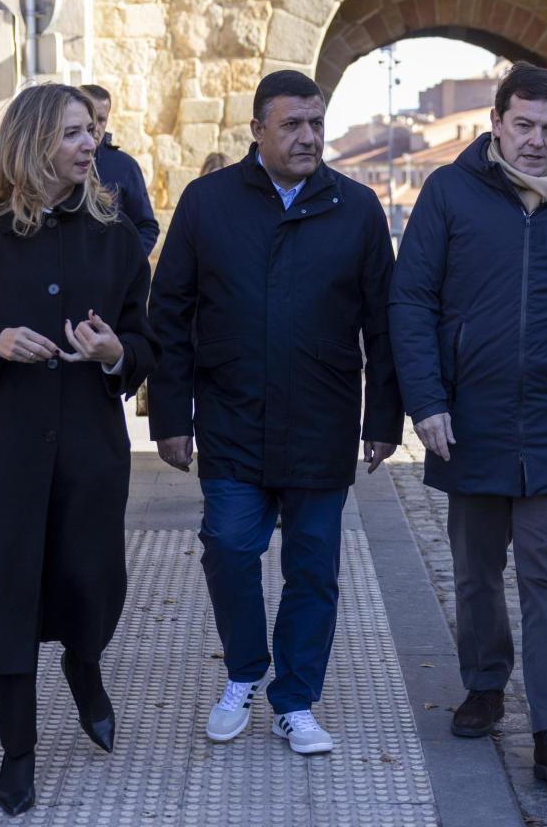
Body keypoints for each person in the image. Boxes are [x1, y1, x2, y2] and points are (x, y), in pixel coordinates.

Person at [0, 84, 157, 816]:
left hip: (87, 450)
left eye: (92, 134)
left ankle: (86, 669)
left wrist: (116, 352)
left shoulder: (113, 233)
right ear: (34, 140)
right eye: (75, 134)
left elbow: (149, 344)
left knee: (86, 582)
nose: (91, 146)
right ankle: (19, 753)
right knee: (4, 596)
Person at [389, 62, 547, 785]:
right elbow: (412, 303)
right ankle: (486, 683)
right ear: (494, 123)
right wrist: (427, 401)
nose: (534, 141)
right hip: (469, 418)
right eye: (522, 125)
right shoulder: (449, 193)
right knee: (475, 572)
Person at [148, 70, 401, 756]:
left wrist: (384, 420)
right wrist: (171, 415)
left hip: (322, 422)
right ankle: (243, 673)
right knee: (229, 549)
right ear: (257, 130)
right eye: (292, 124)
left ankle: (295, 701)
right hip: (232, 417)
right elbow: (168, 313)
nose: (308, 136)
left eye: (316, 123)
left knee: (313, 569)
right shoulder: (208, 204)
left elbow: (385, 324)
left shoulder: (356, 208)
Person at [78, 83, 160, 255]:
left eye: (101, 119)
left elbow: (146, 227)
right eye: (89, 116)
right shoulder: (54, 162)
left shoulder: (125, 167)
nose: (95, 126)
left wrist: (127, 266)